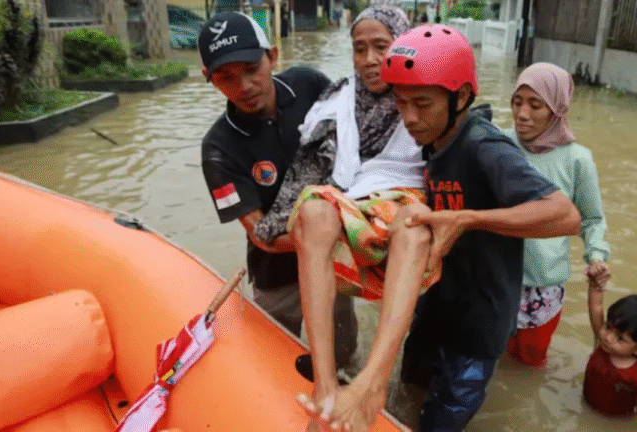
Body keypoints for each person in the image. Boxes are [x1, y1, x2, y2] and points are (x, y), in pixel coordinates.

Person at [383, 25, 580, 431]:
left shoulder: (484, 146)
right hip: (435, 306)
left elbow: (564, 215)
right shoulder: (433, 138)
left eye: (422, 102)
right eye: (400, 102)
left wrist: (469, 218)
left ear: (460, 97)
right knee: (407, 392)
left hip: (477, 324)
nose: (409, 117)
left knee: (441, 421)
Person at [250, 4, 438, 431]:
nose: (370, 59)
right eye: (359, 48)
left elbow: (452, 164)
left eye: (381, 47)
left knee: (414, 223)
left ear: (403, 46)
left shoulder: (428, 98)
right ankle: (325, 385)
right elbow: (304, 176)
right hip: (352, 217)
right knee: (314, 209)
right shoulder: (335, 101)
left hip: (404, 218)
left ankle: (372, 383)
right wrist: (285, 226)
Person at [197, 11, 358, 368]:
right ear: (210, 78)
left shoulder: (309, 85)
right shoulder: (218, 149)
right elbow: (260, 233)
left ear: (273, 55)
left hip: (334, 261)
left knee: (342, 353)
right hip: (277, 277)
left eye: (251, 69)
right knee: (275, 363)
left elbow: (355, 141)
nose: (243, 86)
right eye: (226, 77)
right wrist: (328, 237)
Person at [504, 62, 611, 369]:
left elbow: (592, 219)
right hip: (497, 274)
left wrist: (596, 256)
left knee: (530, 361)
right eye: (517, 102)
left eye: (535, 105)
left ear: (557, 108)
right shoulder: (499, 144)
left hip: (542, 283)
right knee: (489, 353)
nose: (522, 114)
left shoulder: (578, 159)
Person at [585, 287, 637, 432]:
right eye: (608, 327)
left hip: (617, 422)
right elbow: (596, 307)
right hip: (586, 404)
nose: (608, 337)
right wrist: (595, 286)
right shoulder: (601, 344)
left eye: (620, 338)